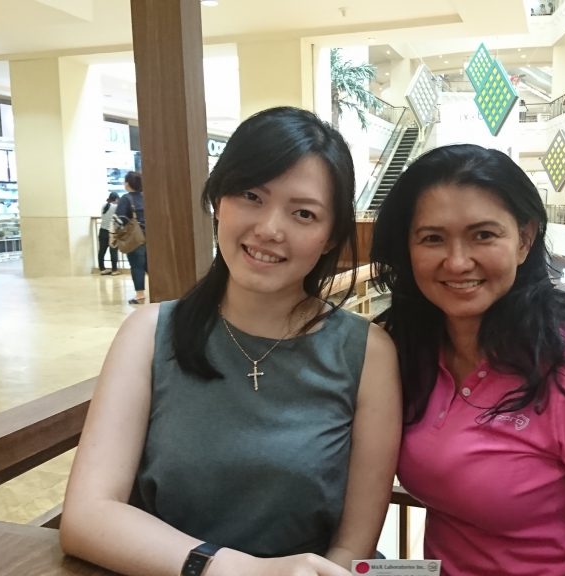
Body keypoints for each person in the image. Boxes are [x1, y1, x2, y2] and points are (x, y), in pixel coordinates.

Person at [60, 107, 402, 576]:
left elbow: (352, 548)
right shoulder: (148, 334)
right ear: (219, 201)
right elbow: (88, 515)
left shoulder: (367, 353)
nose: (270, 229)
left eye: (303, 213)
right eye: (251, 196)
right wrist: (233, 570)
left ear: (329, 237)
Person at [370, 144, 565, 576]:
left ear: (524, 239)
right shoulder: (410, 348)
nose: (457, 262)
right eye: (432, 238)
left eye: (483, 235)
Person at [117, 171, 146, 303]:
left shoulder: (126, 198)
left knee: (137, 265)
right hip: (150, 237)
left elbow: (120, 219)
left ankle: (140, 295)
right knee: (150, 265)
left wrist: (115, 234)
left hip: (136, 238)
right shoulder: (146, 197)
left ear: (128, 184)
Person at [97, 192, 120, 276]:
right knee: (113, 251)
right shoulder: (116, 207)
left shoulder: (104, 206)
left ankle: (102, 269)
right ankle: (114, 270)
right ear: (116, 199)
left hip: (102, 231)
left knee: (102, 251)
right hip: (112, 232)